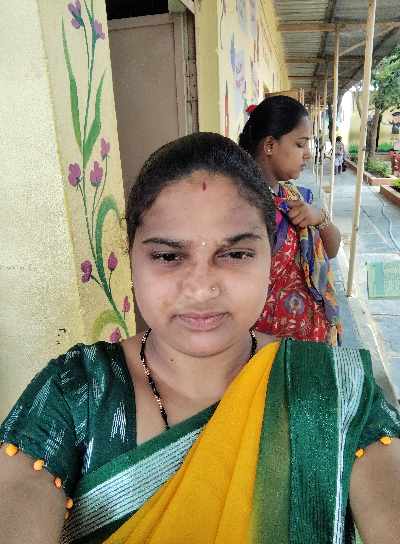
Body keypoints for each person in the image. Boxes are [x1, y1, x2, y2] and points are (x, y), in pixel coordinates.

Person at [0, 133, 400, 544]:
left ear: (271, 254)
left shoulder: (332, 391)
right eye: (168, 256)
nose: (201, 288)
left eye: (236, 254)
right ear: (131, 255)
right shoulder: (77, 393)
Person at [239, 96, 342, 345]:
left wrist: (319, 217)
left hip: (305, 342)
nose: (307, 154)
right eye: (300, 144)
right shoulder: (242, 206)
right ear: (270, 145)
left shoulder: (293, 196)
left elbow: (331, 249)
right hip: (266, 347)